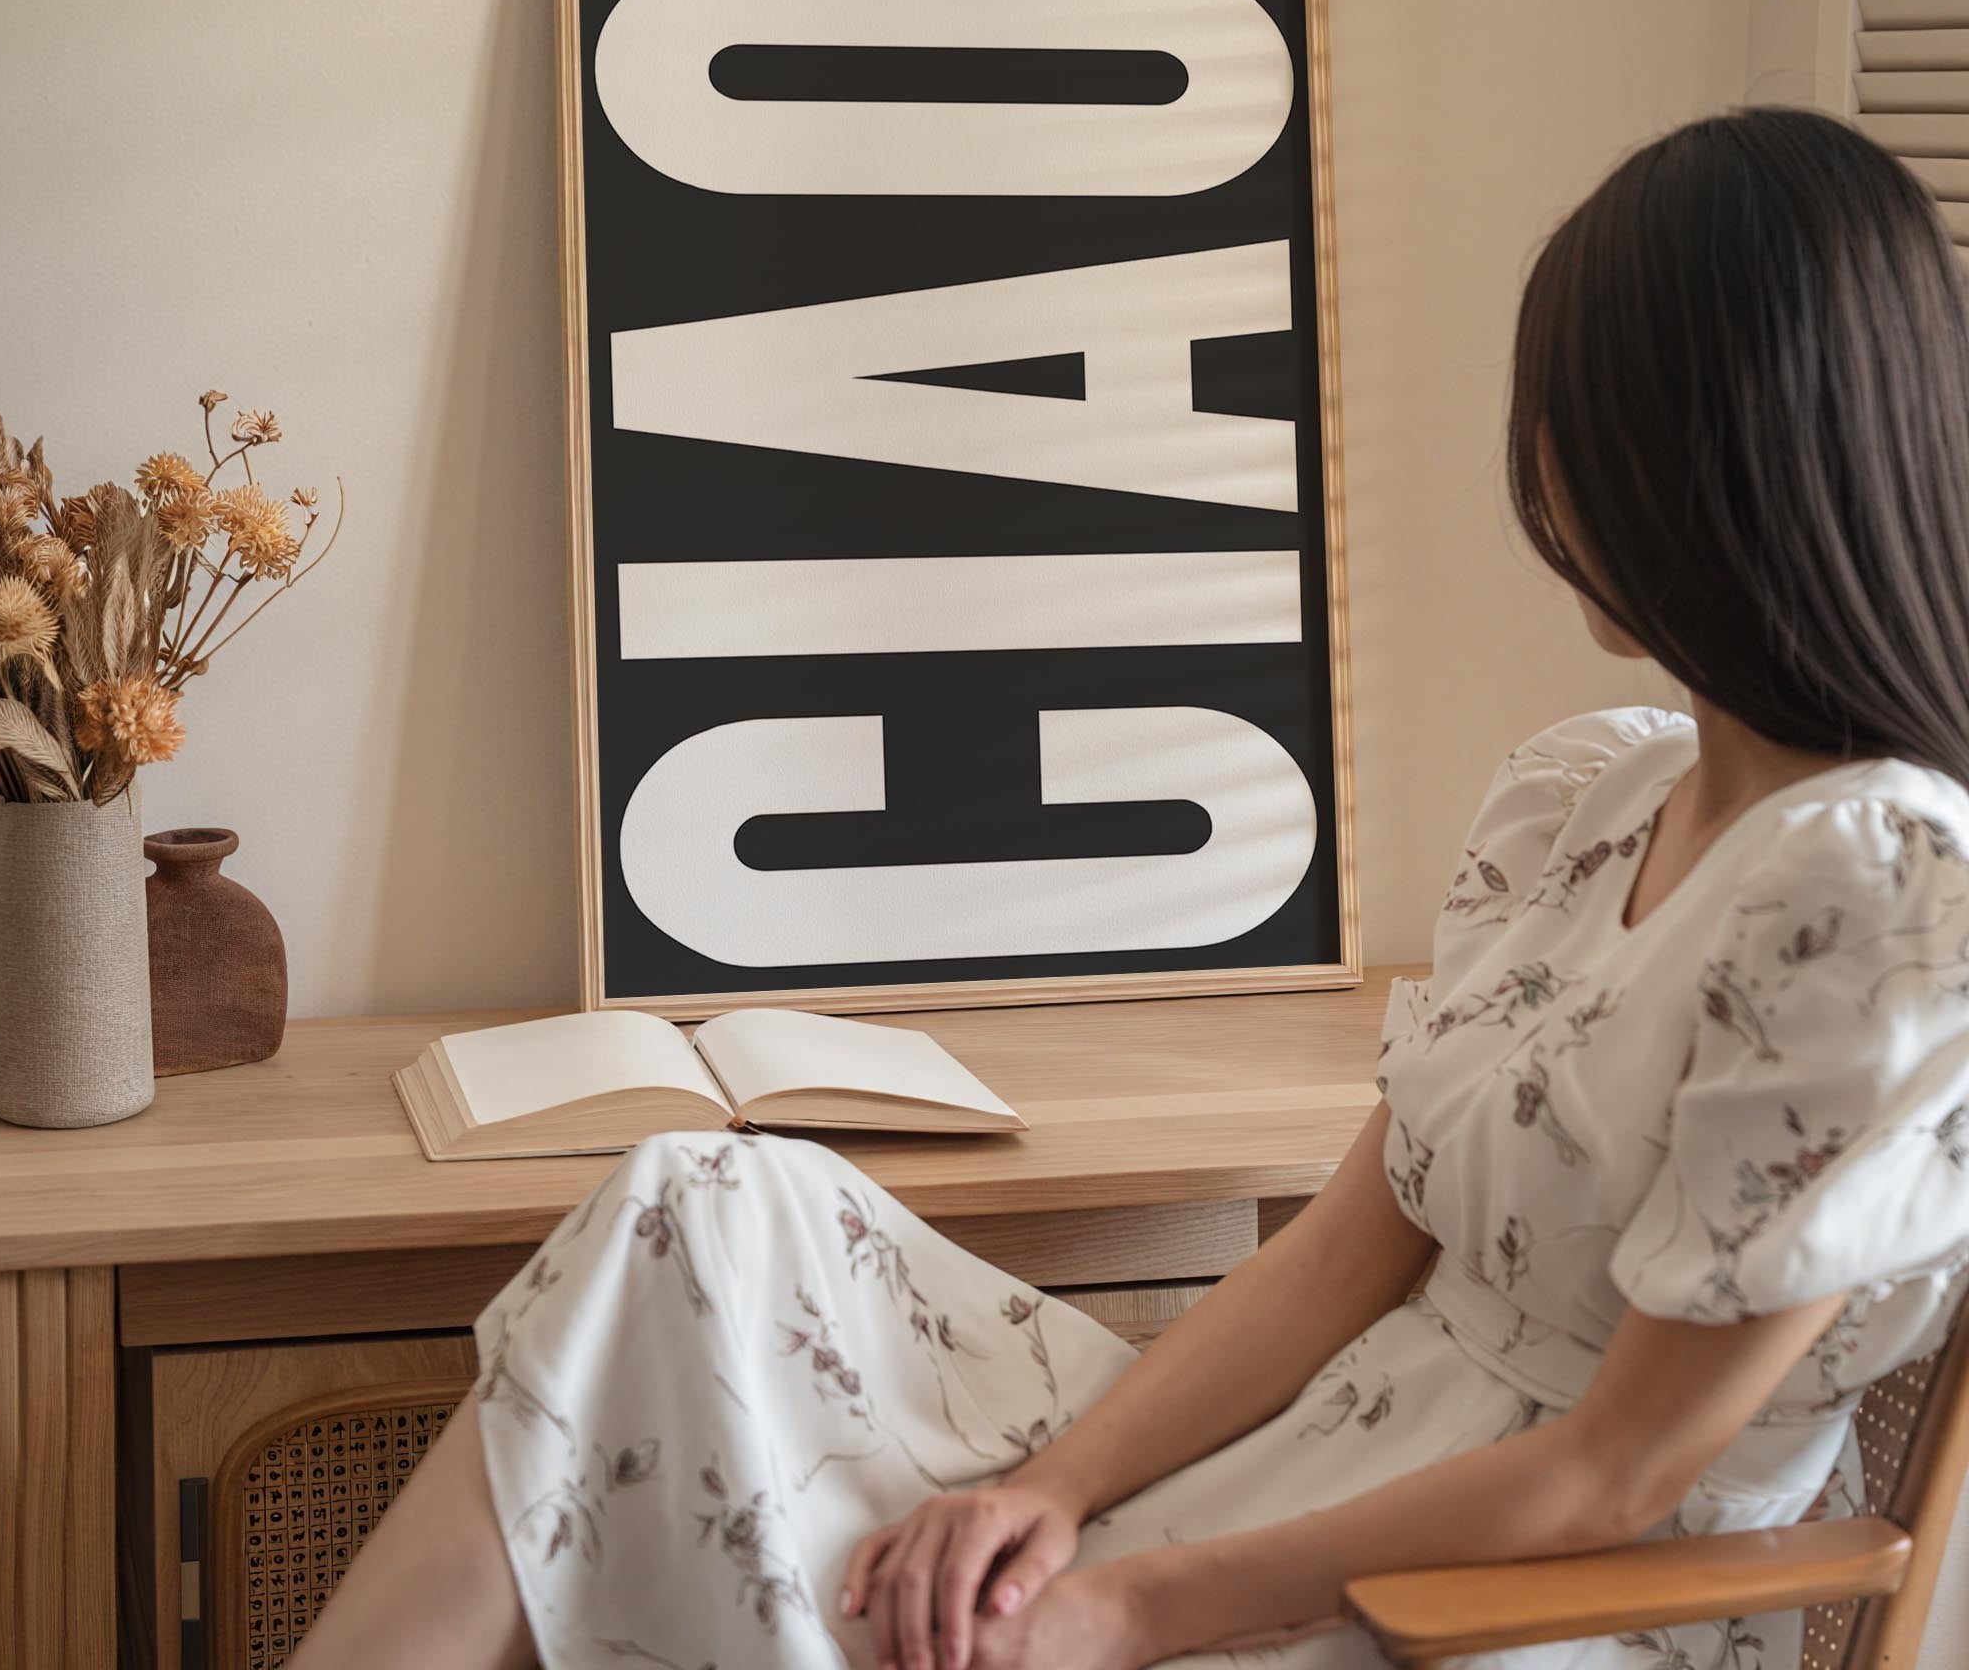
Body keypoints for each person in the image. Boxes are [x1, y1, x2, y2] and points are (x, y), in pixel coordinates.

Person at [291, 109, 1969, 1670]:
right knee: (702, 1207)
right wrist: (1057, 1495)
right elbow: (1341, 1253)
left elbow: (1612, 1480)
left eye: (1578, 422)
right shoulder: (1595, 796)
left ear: (1722, 460)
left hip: (1486, 1600)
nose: (1539, 467)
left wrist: (1118, 1611)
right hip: (1324, 1447)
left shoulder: (1881, 892)